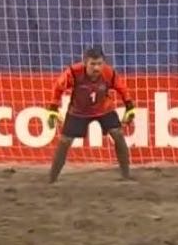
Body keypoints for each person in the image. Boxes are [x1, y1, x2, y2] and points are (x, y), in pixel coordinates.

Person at [46, 47, 136, 182]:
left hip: (104, 108)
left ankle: (126, 174)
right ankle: (52, 178)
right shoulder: (73, 72)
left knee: (118, 134)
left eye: (99, 64)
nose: (96, 68)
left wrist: (130, 107)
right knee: (65, 141)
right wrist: (53, 108)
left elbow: (122, 88)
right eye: (92, 64)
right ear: (85, 63)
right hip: (78, 111)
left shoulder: (109, 73)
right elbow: (58, 88)